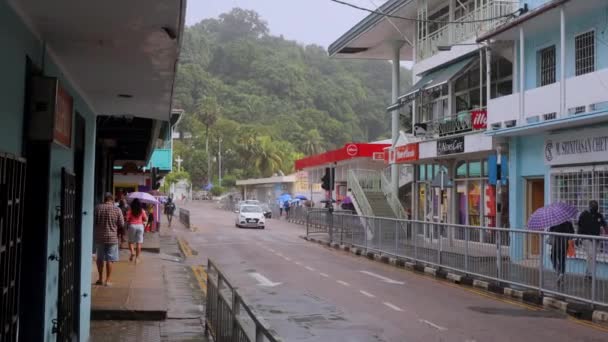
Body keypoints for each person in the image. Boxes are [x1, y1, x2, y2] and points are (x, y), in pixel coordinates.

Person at [94, 192, 124, 286]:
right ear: (112, 199)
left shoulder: (98, 208)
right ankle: (108, 280)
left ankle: (100, 279)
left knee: (99, 259)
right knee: (109, 259)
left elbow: (94, 221)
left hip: (100, 237)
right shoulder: (117, 209)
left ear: (105, 199)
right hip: (112, 238)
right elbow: (121, 224)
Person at [578, 200, 607, 279]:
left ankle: (588, 274)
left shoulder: (599, 215)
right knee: (591, 254)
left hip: (596, 239)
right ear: (590, 206)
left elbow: (604, 224)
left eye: (596, 206)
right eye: (593, 206)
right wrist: (578, 238)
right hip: (586, 238)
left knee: (591, 257)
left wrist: (606, 231)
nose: (595, 208)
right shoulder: (584, 214)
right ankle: (590, 274)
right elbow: (579, 226)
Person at [549, 220, 574, 285]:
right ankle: (561, 275)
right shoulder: (568, 223)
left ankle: (558, 272)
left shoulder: (555, 222)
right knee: (562, 260)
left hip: (556, 244)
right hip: (565, 245)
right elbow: (572, 233)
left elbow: (551, 231)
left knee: (553, 257)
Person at [126, 199, 147, 264]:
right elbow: (145, 219)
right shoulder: (142, 211)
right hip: (140, 226)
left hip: (132, 226)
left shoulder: (130, 211)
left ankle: (132, 252)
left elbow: (127, 219)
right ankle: (137, 258)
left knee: (130, 242)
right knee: (139, 243)